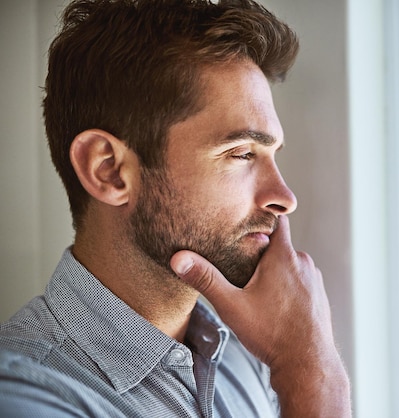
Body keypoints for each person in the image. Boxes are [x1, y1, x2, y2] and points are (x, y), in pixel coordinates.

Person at [0, 0, 351, 416]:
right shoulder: (23, 395)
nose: (284, 197)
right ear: (109, 171)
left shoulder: (249, 357)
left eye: (272, 154)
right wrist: (311, 372)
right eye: (241, 153)